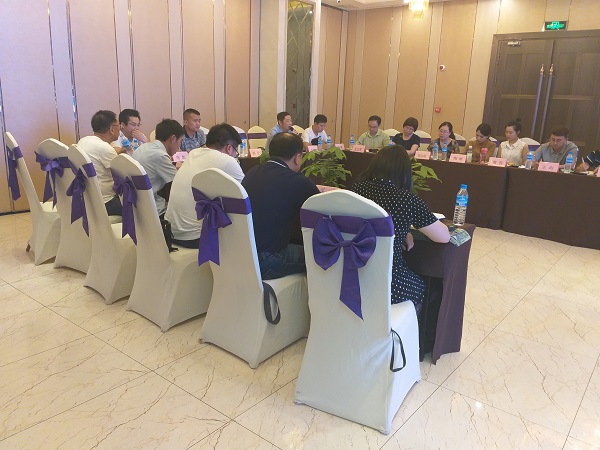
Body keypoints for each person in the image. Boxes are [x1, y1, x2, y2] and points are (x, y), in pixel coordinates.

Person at [351, 146, 450, 315]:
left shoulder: (357, 190)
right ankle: (403, 328)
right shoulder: (406, 199)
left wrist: (404, 231)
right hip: (388, 280)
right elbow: (443, 237)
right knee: (422, 286)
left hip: (350, 274)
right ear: (404, 172)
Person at [242, 133, 319, 279]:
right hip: (269, 260)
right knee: (323, 254)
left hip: (244, 254)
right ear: (297, 157)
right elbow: (322, 208)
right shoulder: (299, 182)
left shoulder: (253, 172)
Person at [166, 123, 245, 249]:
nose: (235, 156)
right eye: (235, 152)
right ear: (229, 148)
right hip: (195, 238)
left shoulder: (193, 154)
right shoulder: (227, 160)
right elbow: (246, 194)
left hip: (171, 232)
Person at [132, 119, 183, 217]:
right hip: (153, 209)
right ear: (173, 138)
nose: (179, 146)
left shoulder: (143, 147)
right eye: (180, 141)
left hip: (136, 203)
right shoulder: (160, 155)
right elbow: (178, 182)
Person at [77, 110, 123, 216]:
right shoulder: (105, 148)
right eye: (119, 126)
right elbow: (123, 175)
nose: (120, 129)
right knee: (141, 206)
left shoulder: (83, 141)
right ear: (112, 129)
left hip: (86, 199)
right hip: (106, 203)